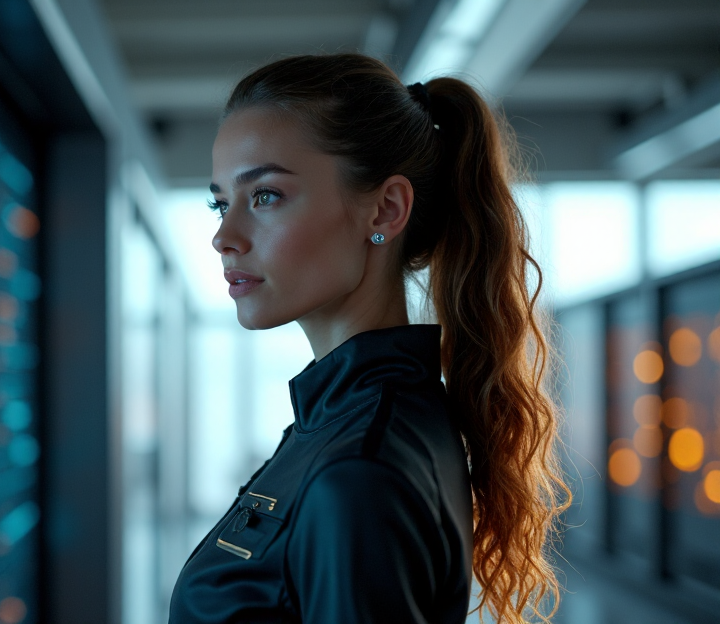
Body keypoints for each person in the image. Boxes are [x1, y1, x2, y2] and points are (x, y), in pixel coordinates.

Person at [168, 53, 569, 624]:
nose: (224, 237)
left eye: (265, 196)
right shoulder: (348, 423)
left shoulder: (359, 467)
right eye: (219, 202)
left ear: (385, 209)